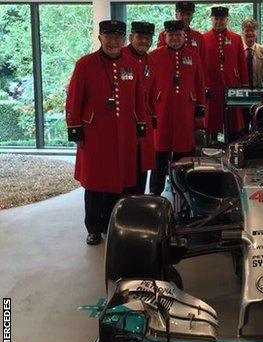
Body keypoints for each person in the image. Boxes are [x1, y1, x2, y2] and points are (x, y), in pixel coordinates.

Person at [65, 20, 147, 245]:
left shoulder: (131, 64)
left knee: (117, 181)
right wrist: (75, 129)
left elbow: (140, 99)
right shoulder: (85, 64)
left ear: (124, 39)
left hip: (124, 133)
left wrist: (141, 125)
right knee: (94, 182)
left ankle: (113, 224)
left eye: (117, 37)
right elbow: (74, 99)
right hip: (95, 134)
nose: (113, 42)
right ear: (100, 37)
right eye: (108, 37)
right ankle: (93, 228)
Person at [149, 20, 206, 196]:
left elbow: (199, 84)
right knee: (159, 156)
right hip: (162, 112)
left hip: (185, 112)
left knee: (184, 154)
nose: (175, 38)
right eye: (171, 35)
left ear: (184, 36)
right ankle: (155, 193)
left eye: (178, 35)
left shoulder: (194, 56)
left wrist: (199, 112)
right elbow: (148, 86)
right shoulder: (154, 56)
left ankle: (185, 192)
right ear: (165, 36)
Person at [203, 6, 248, 142]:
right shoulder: (203, 38)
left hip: (232, 85)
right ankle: (212, 148)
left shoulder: (236, 38)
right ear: (211, 19)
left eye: (222, 19)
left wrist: (244, 85)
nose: (219, 22)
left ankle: (233, 149)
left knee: (233, 122)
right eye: (216, 19)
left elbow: (242, 63)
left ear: (227, 20)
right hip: (211, 85)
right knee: (211, 121)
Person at [121, 21, 157, 195]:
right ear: (130, 38)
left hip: (144, 121)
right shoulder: (120, 56)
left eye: (147, 38)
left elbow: (152, 93)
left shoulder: (150, 60)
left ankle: (139, 204)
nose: (144, 41)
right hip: (124, 121)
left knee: (142, 164)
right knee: (125, 165)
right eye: (140, 37)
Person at [242, 19, 263, 133]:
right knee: (242, 127)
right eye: (246, 30)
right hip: (242, 96)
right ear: (242, 32)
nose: (250, 33)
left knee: (259, 128)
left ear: (257, 32)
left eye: (252, 30)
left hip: (260, 95)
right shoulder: (237, 50)